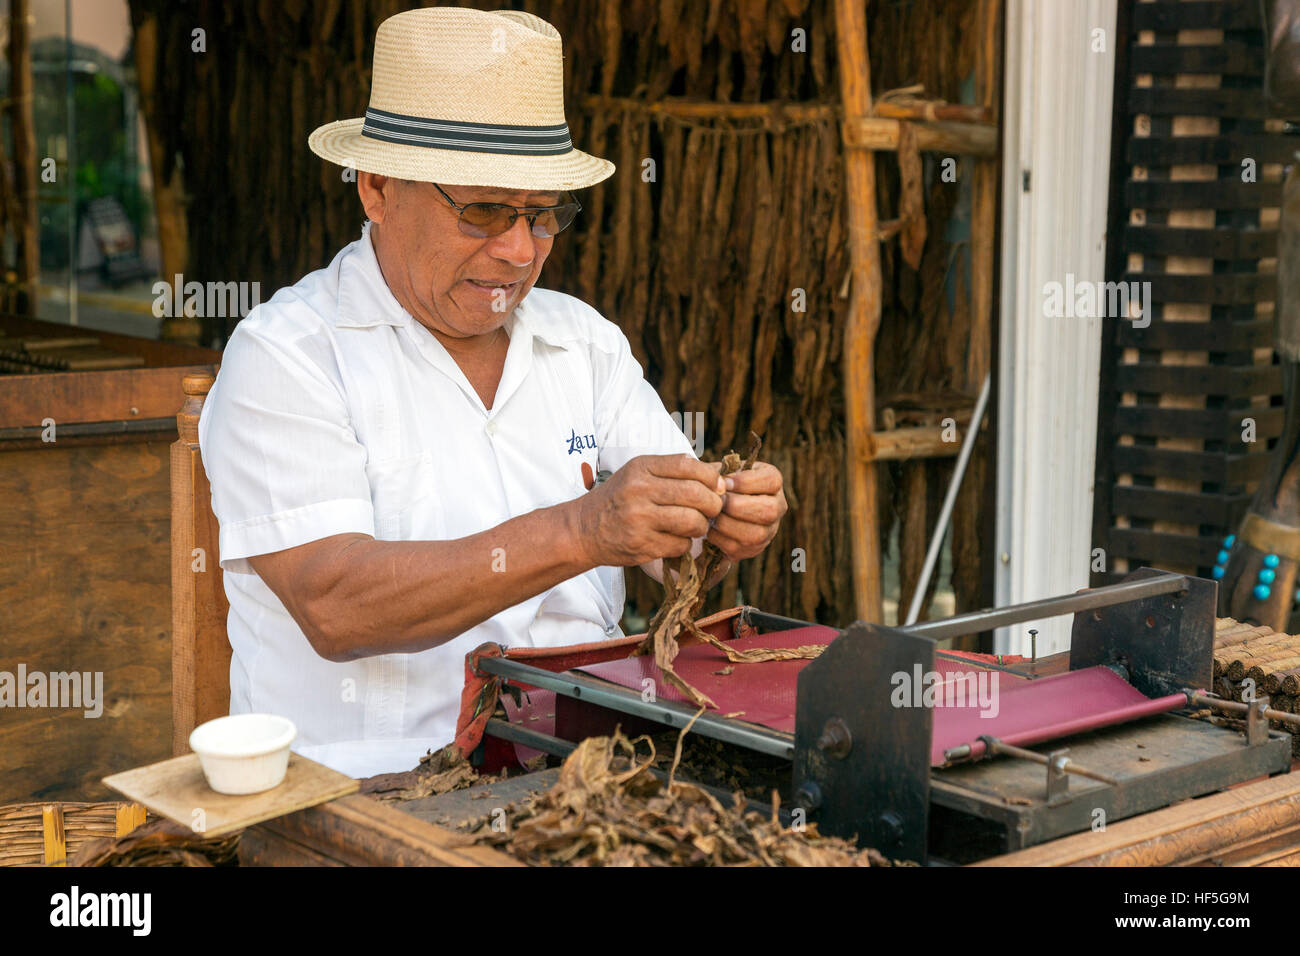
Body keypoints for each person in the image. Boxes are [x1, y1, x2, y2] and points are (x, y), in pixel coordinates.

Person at [198, 7, 787, 777]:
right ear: (376, 187)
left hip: (584, 770)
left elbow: (674, 551)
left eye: (543, 215)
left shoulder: (581, 343)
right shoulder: (290, 355)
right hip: (368, 792)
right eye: (482, 210)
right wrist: (581, 530)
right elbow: (334, 604)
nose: (517, 251)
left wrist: (717, 520)